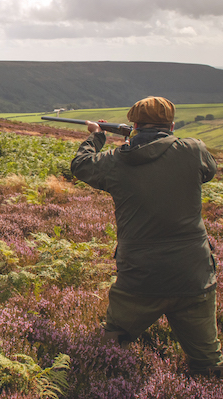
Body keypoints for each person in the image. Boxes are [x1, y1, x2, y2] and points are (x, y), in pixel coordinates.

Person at [70, 96, 223, 375]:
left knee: (108, 351)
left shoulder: (116, 161)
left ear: (134, 124)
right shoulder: (193, 150)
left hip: (139, 277)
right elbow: (208, 172)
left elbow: (81, 165)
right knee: (209, 364)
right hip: (194, 275)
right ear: (173, 125)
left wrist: (97, 136)